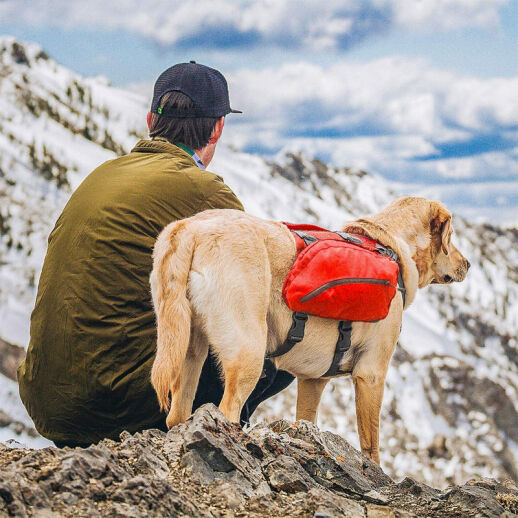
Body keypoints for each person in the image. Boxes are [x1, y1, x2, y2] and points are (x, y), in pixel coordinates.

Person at [18, 62, 294, 447]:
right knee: (273, 341)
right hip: (120, 408)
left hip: (49, 403)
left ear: (150, 120)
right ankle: (218, 440)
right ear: (218, 128)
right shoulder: (207, 193)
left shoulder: (101, 174)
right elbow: (246, 297)